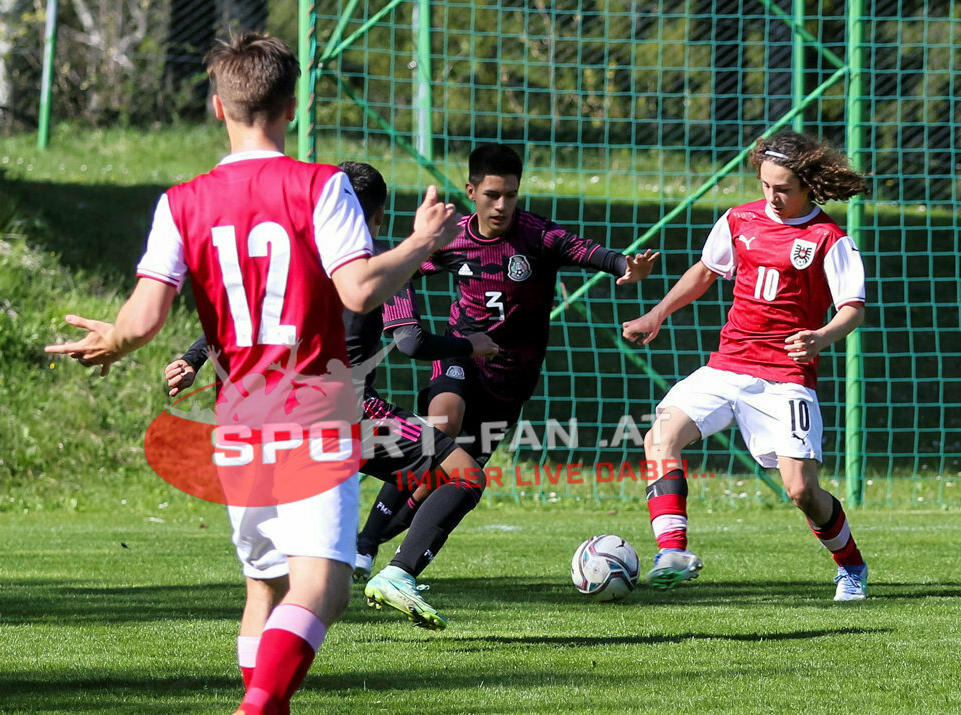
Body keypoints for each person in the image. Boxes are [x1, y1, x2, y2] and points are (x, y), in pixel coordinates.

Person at [45, 33, 460, 715]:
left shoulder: (182, 201)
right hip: (311, 413)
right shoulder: (319, 187)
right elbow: (362, 291)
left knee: (264, 587)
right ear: (292, 106)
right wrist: (420, 241)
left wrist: (111, 340)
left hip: (238, 421)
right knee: (323, 587)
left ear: (216, 105)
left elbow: (144, 315)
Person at [166, 160, 499, 633]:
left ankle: (355, 557)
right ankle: (396, 572)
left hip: (283, 414)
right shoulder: (378, 263)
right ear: (379, 215)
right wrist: (472, 342)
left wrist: (192, 358)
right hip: (356, 411)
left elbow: (241, 315)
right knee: (465, 475)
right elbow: (410, 341)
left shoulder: (297, 256)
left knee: (278, 576)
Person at [362, 142, 658, 550]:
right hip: (460, 357)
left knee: (443, 481)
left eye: (511, 195)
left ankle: (370, 542)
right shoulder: (453, 240)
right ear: (471, 192)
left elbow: (584, 250)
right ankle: (363, 546)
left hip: (511, 379)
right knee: (442, 427)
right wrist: (402, 319)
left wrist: (625, 266)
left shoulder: (536, 236)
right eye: (492, 195)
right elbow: (404, 269)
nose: (502, 205)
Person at [621, 129, 869, 601]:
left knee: (802, 492)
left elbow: (852, 307)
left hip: (785, 378)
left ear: (808, 185)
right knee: (661, 435)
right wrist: (657, 312)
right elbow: (706, 272)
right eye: (765, 185)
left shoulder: (829, 238)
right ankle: (672, 552)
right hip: (728, 364)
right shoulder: (739, 220)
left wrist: (821, 336)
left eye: (784, 189)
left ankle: (851, 567)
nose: (772, 197)